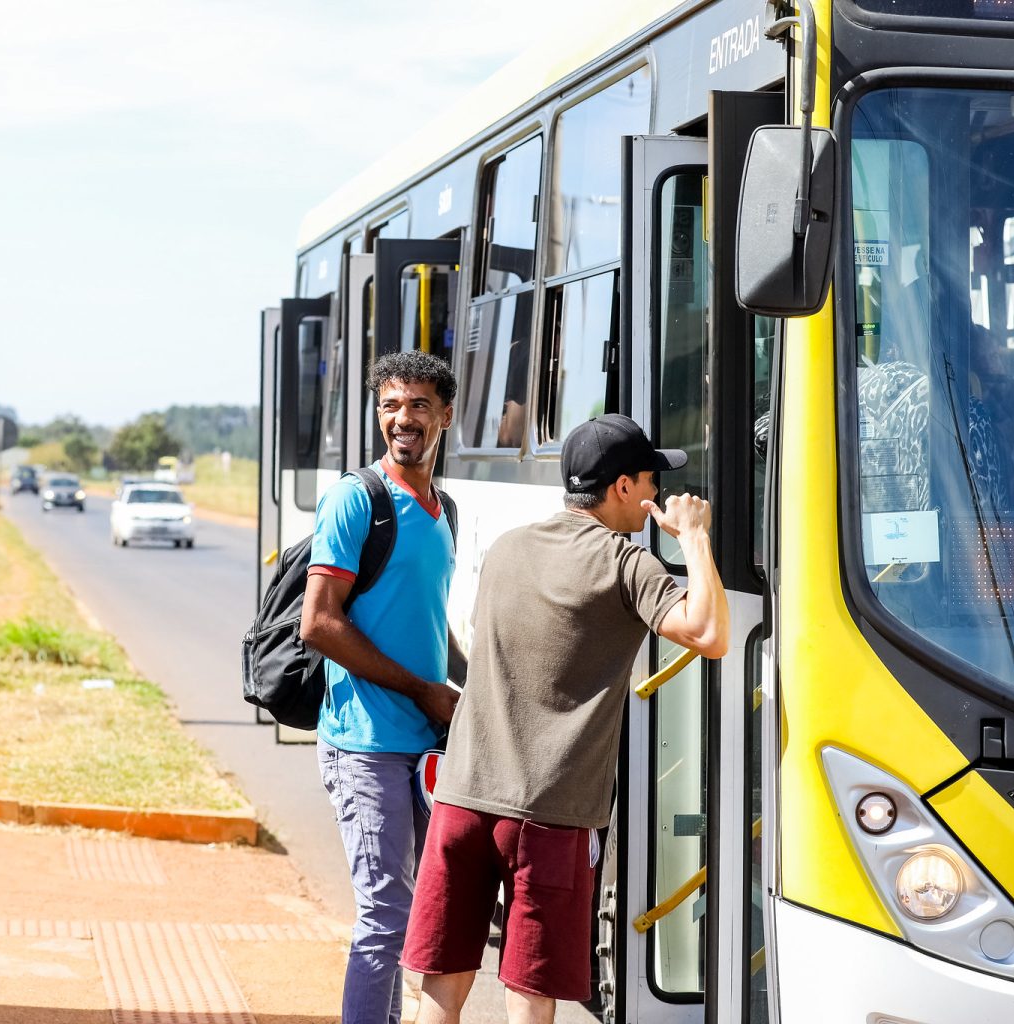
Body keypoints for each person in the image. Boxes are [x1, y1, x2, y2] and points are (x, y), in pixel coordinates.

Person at [400, 413, 730, 1024]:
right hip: (546, 817)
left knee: (439, 989)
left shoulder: (508, 548)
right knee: (531, 992)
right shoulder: (626, 564)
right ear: (622, 487)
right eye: (650, 479)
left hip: (461, 799)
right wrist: (696, 538)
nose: (657, 493)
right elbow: (710, 633)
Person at [300, 350, 461, 1024]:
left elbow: (425, 621)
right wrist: (425, 691)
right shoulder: (356, 499)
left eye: (419, 405)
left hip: (425, 745)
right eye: (391, 405)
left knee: (433, 917)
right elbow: (319, 624)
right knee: (385, 918)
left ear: (445, 416)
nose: (404, 418)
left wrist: (461, 691)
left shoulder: (442, 506)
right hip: (364, 741)